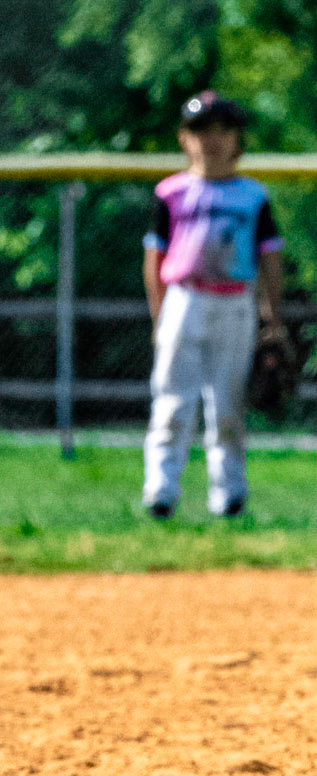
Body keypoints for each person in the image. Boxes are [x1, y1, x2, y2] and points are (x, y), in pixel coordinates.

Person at [142, 91, 285, 520]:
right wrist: (159, 313)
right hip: (184, 298)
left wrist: (271, 316)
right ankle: (161, 490)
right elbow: (155, 260)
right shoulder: (171, 193)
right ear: (185, 139)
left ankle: (229, 494)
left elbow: (271, 258)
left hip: (235, 302)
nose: (213, 139)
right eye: (202, 130)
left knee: (229, 403)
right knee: (172, 401)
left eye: (224, 129)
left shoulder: (252, 195)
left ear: (238, 138)